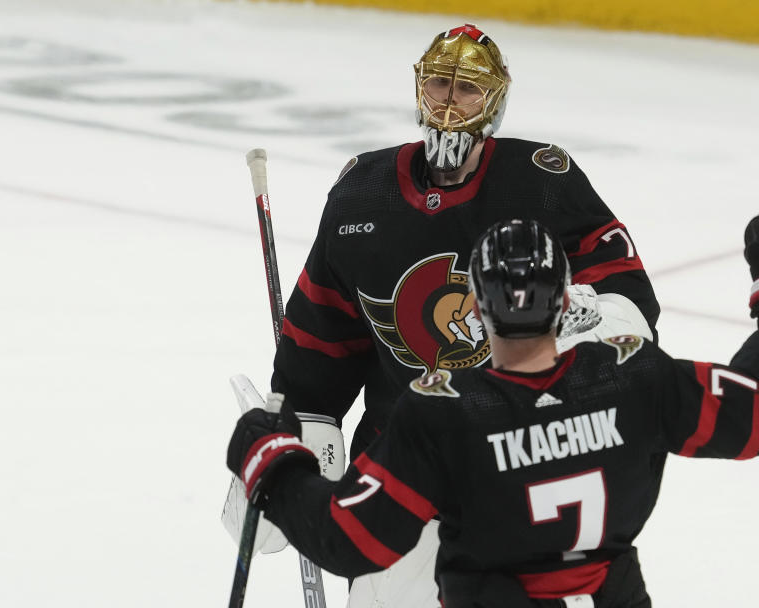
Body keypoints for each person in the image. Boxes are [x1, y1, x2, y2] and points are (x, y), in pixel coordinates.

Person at [237, 23, 663, 605]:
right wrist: (297, 445)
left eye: (468, 88)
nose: (449, 100)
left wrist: (594, 317)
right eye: (440, 82)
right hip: (400, 459)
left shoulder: (542, 182)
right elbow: (322, 334)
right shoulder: (363, 194)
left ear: (495, 100)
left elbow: (628, 300)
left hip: (519, 456)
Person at [227, 211, 759, 607]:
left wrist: (273, 465)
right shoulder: (636, 377)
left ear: (477, 311)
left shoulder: (445, 415)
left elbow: (354, 539)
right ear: (566, 301)